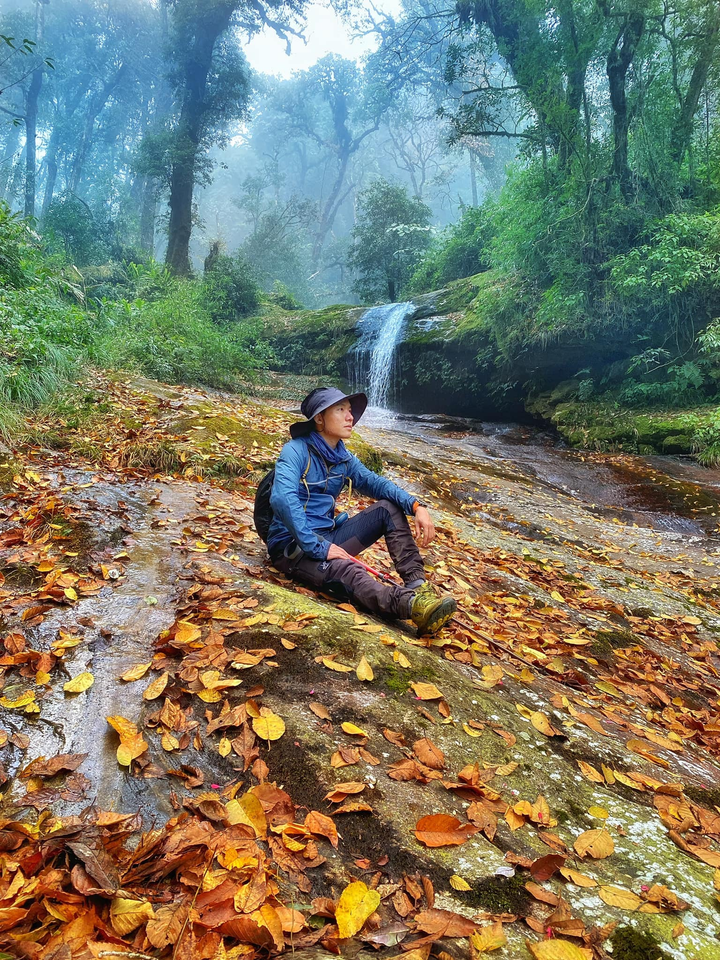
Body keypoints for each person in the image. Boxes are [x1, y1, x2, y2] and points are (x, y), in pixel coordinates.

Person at [267, 386, 457, 635]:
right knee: (348, 571)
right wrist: (318, 546)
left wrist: (416, 506)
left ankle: (418, 586)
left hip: (327, 539)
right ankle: (412, 606)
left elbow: (377, 484)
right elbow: (282, 498)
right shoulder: (296, 450)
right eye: (341, 409)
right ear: (319, 419)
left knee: (388, 508)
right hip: (294, 547)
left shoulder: (343, 458)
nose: (350, 417)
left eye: (350, 410)